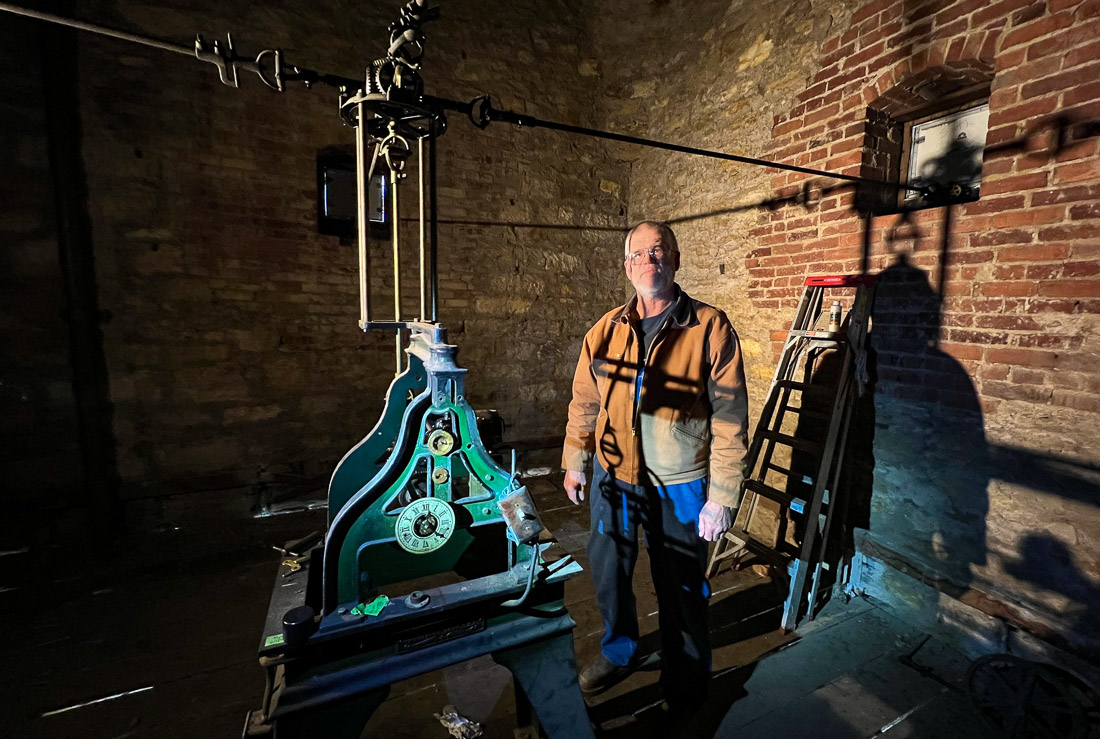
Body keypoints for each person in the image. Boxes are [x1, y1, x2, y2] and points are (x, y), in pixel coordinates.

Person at [561, 220, 749, 712]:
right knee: (609, 573)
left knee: (682, 585)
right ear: (627, 267)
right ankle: (619, 651)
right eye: (639, 254)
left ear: (676, 259)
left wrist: (723, 495)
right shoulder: (603, 331)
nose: (650, 260)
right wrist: (575, 463)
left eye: (659, 251)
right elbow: (584, 403)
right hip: (612, 475)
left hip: (680, 482)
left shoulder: (709, 326)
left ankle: (684, 678)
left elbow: (730, 417)